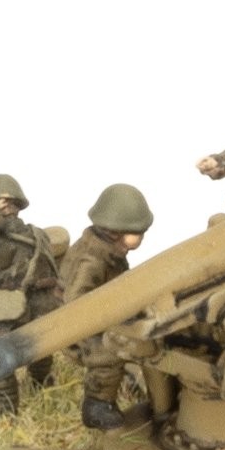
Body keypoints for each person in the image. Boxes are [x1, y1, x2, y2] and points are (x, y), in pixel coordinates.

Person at [58, 183, 154, 430]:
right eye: (139, 232)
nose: (141, 237)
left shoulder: (110, 252)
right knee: (109, 354)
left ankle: (128, 379)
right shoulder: (91, 260)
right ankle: (97, 405)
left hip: (100, 317)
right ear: (116, 232)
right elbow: (76, 304)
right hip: (77, 329)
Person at [0, 173, 64, 415]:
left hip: (30, 306)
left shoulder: (21, 239)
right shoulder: (20, 239)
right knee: (14, 354)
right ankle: (19, 401)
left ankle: (19, 403)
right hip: (27, 307)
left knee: (7, 357)